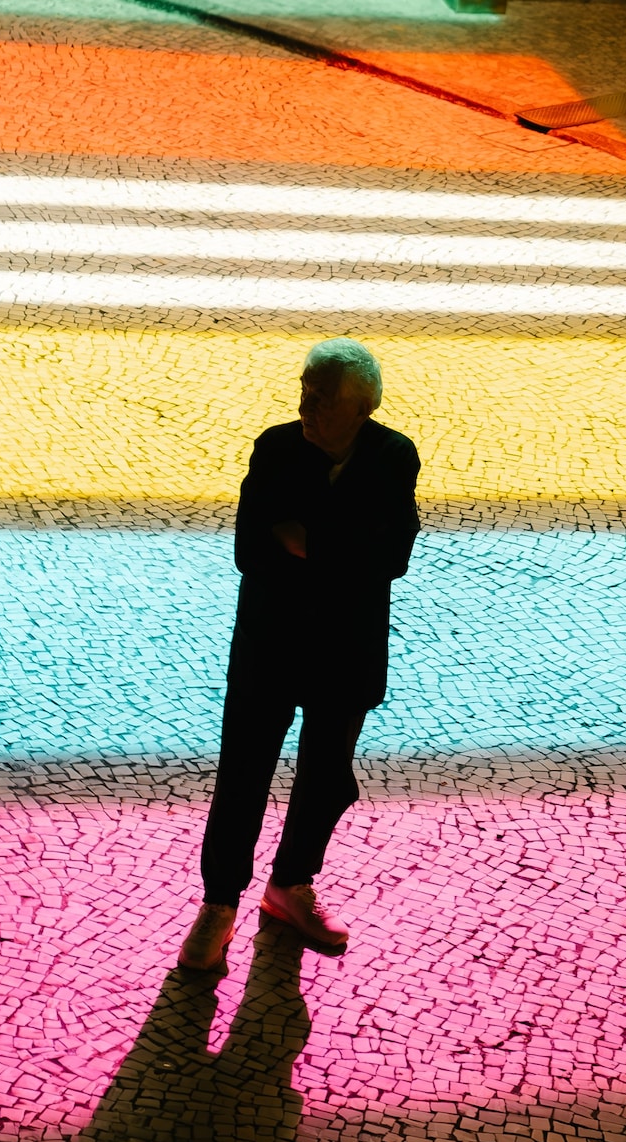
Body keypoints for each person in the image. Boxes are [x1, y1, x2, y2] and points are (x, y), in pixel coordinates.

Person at [178, 337, 421, 973]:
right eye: (306, 390)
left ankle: (291, 884)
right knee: (243, 775)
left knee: (326, 778)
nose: (305, 403)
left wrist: (306, 542)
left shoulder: (394, 457)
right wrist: (342, 550)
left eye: (320, 396)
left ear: (361, 406)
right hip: (272, 644)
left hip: (344, 650)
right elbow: (254, 550)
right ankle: (220, 902)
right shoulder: (277, 446)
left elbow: (391, 555)